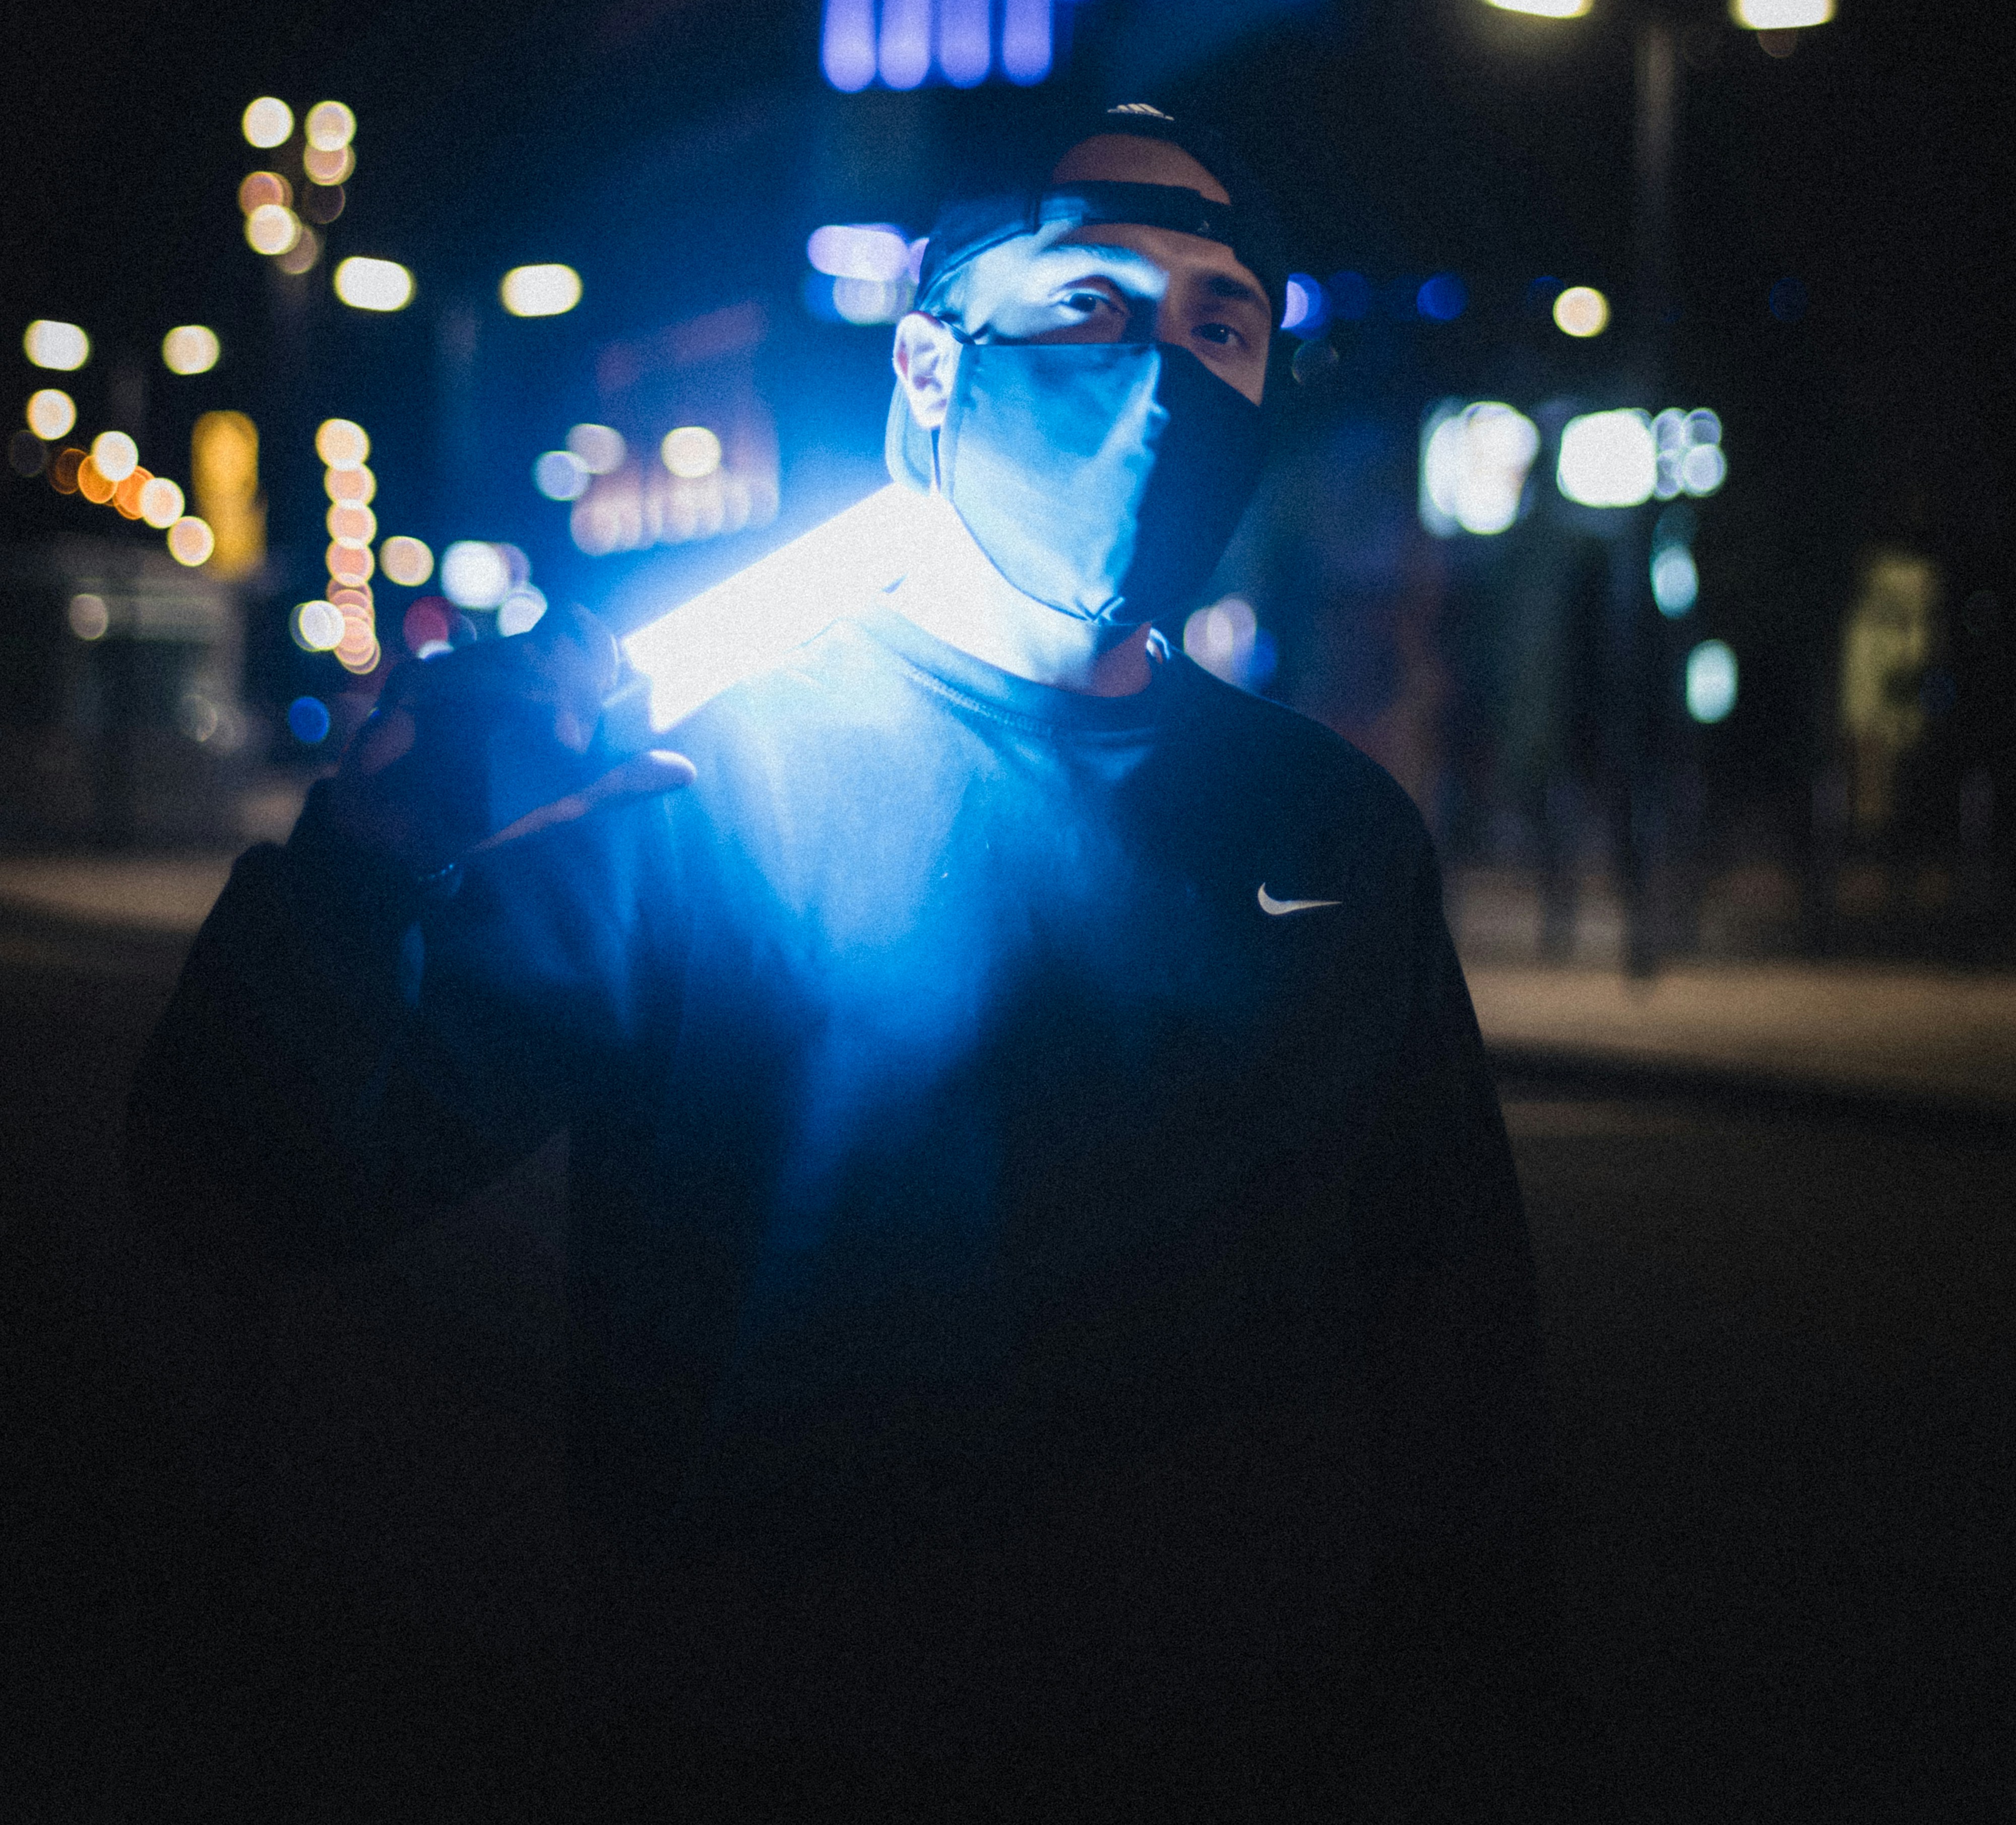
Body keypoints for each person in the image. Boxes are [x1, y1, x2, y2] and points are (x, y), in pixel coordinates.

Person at [129, 103, 1550, 1819]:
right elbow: (255, 1188)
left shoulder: (1334, 830)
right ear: (932, 370)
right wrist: (361, 866)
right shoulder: (687, 785)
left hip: (1251, 1754)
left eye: (1220, 325)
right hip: (780, 1738)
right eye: (1092, 305)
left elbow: (1455, 1339)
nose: (1164, 375)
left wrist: (1469, 1721)